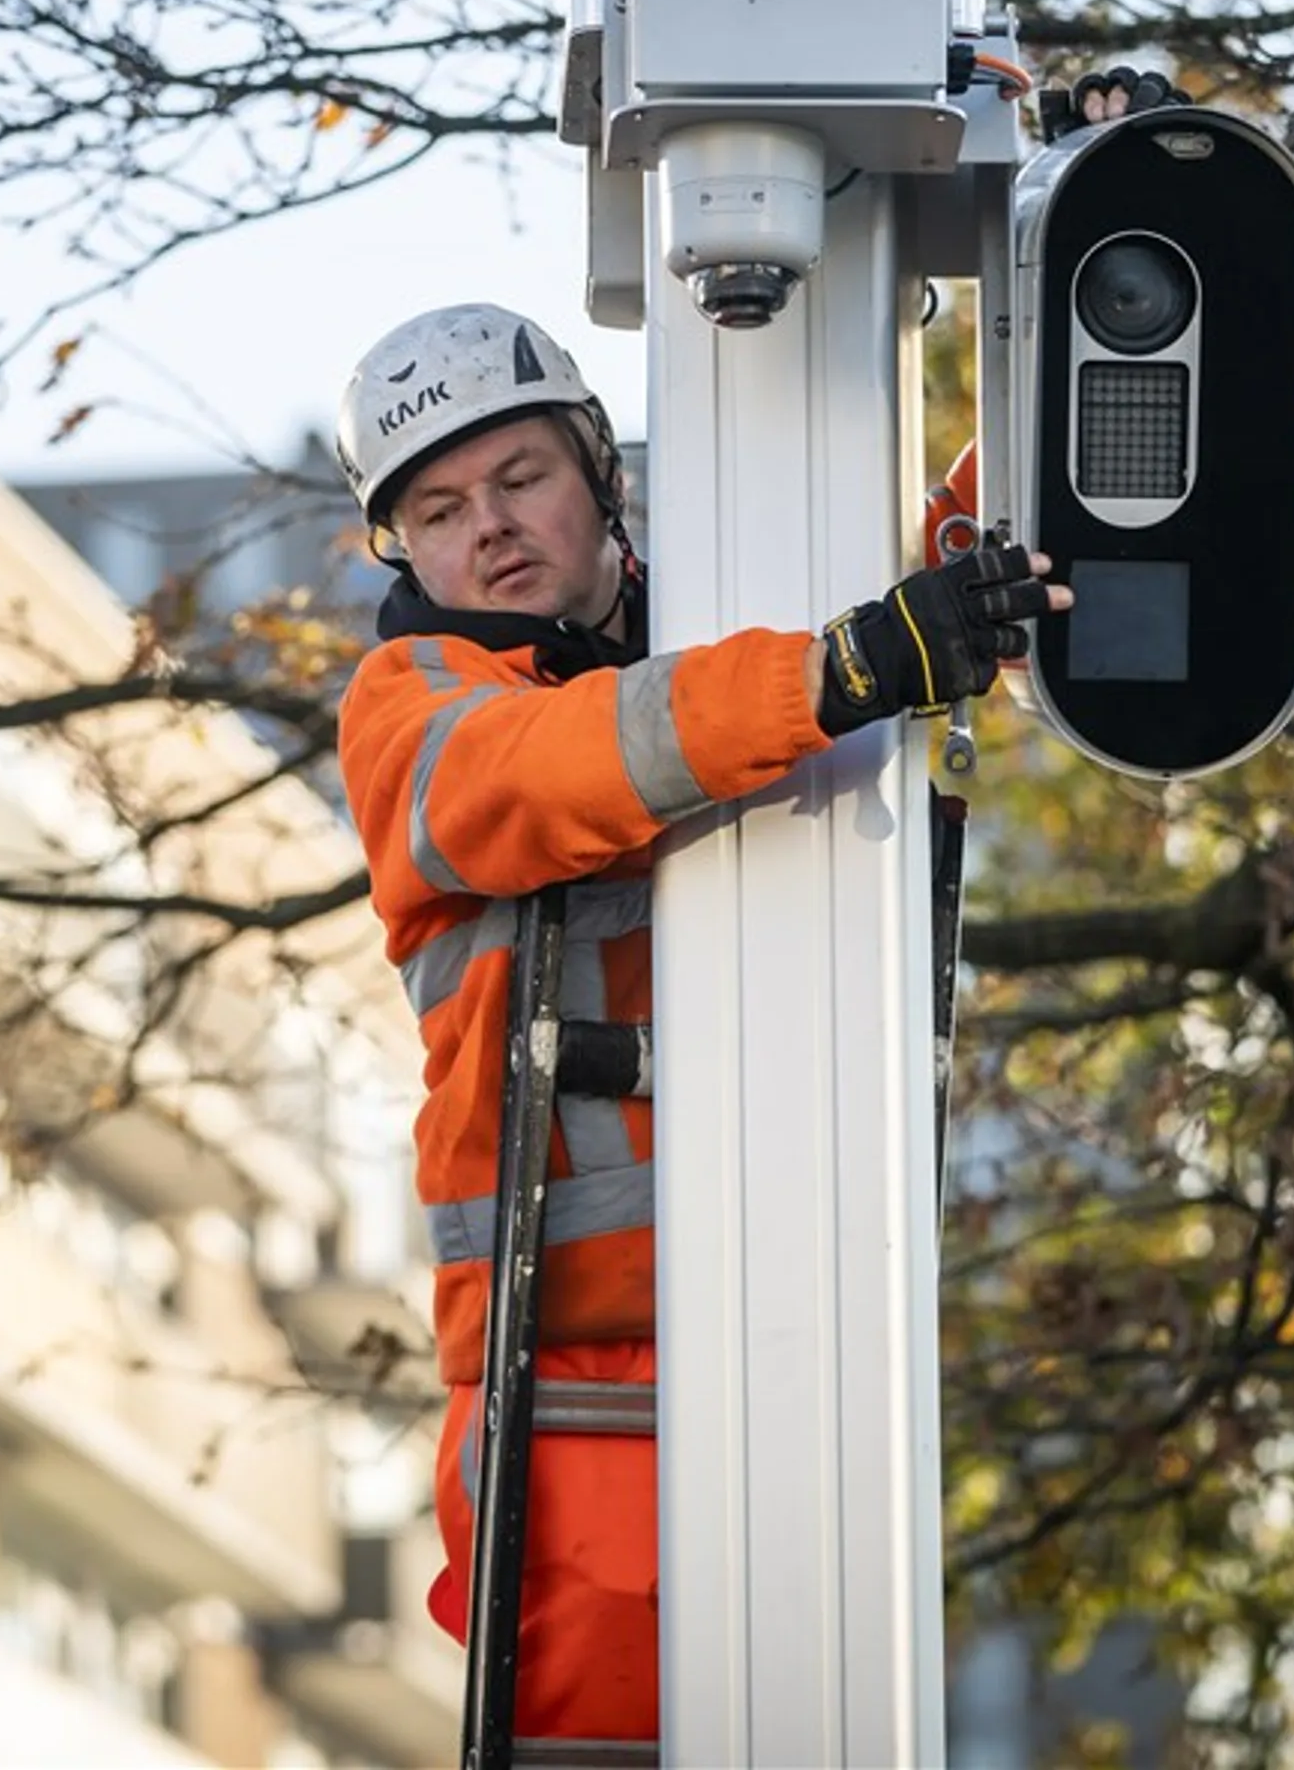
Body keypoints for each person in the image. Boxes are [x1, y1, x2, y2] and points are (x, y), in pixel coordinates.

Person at [331, 302, 1062, 1747]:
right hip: (572, 1376)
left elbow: (977, 546)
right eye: (439, 510)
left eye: (520, 477)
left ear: (601, 472)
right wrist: (846, 668)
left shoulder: (748, 603)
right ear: (402, 549)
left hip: (816, 1320)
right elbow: (555, 764)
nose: (490, 528)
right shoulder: (411, 706)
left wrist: (1070, 302)